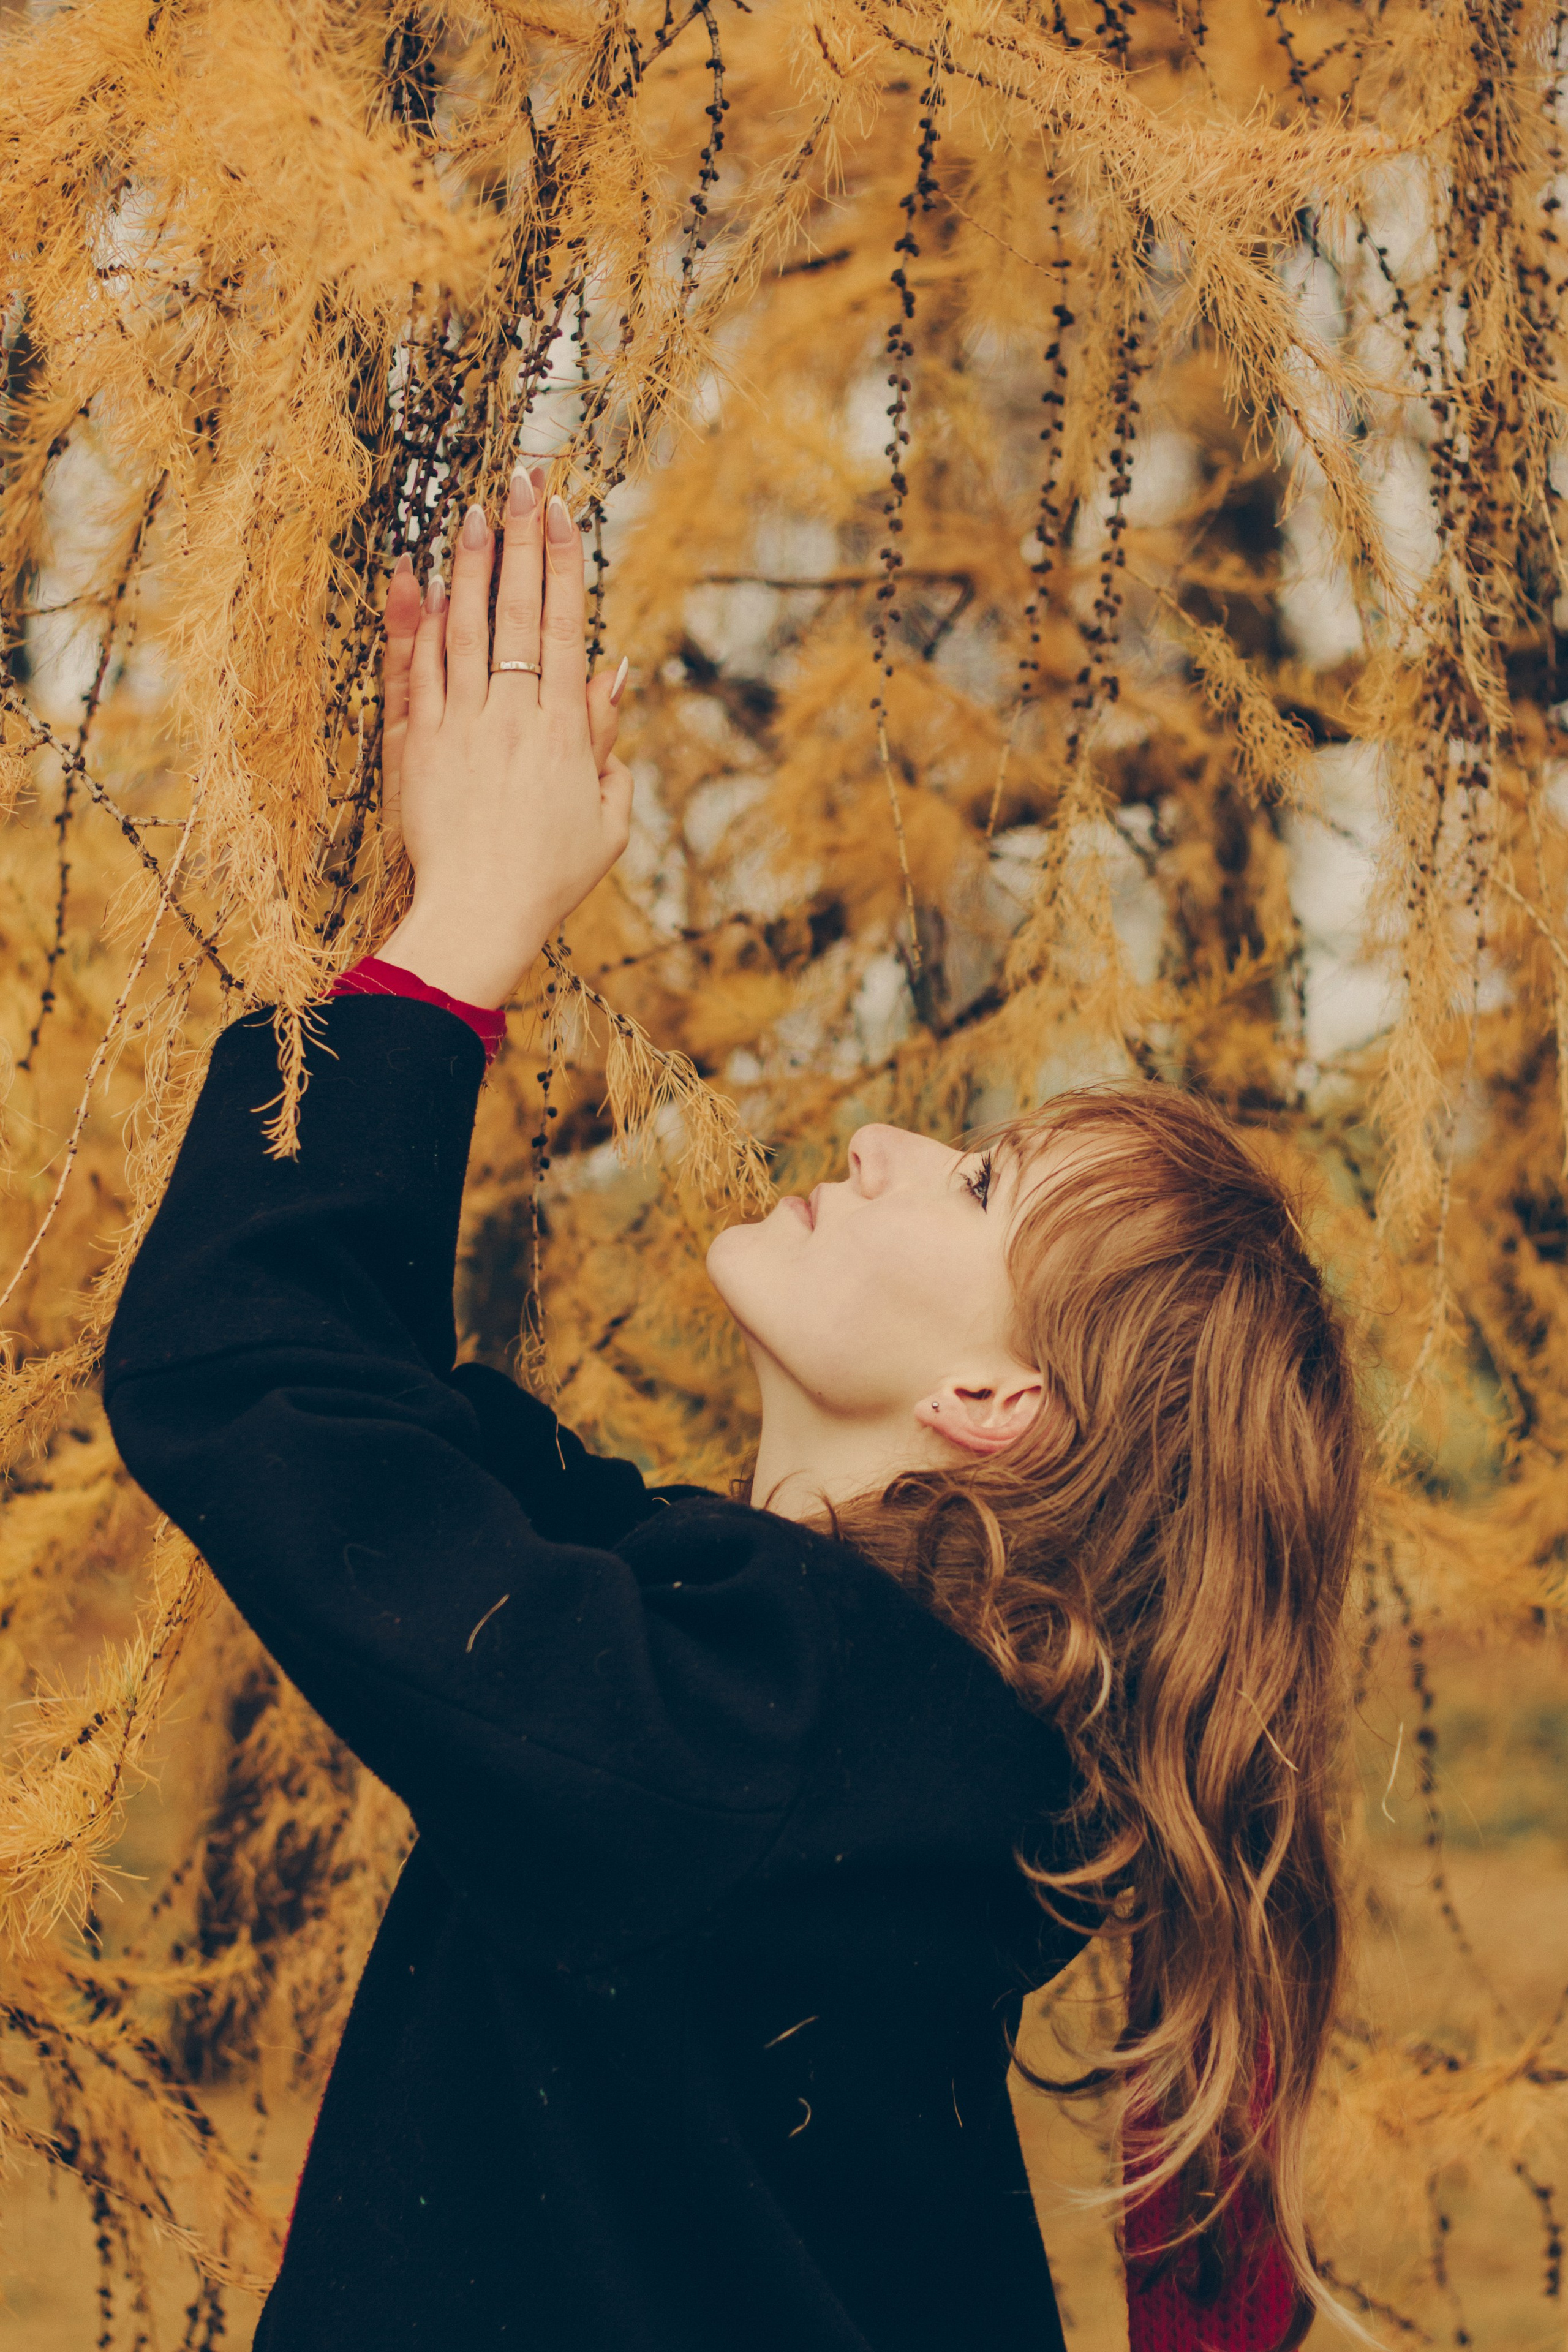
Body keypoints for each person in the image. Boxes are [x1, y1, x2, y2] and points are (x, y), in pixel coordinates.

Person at [105, 467, 1361, 2351]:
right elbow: (393, 1423)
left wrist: (466, 935)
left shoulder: (742, 1749)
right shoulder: (822, 1731)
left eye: (977, 1184)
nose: (883, 1138)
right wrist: (425, 929)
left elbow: (244, 1371)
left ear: (994, 1397)